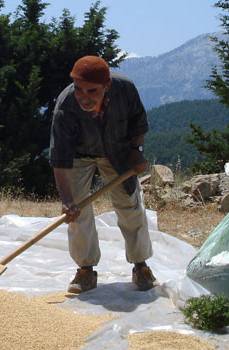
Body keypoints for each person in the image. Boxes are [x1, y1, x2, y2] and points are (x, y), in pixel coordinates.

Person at [49, 55, 156, 293]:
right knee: (76, 212)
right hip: (78, 156)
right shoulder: (65, 105)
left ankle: (141, 266)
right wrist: (67, 200)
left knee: (130, 205)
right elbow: (60, 158)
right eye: (79, 90)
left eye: (92, 91)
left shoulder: (125, 89)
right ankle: (85, 271)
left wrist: (137, 152)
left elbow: (139, 123)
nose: (84, 97)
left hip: (116, 152)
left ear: (107, 86)